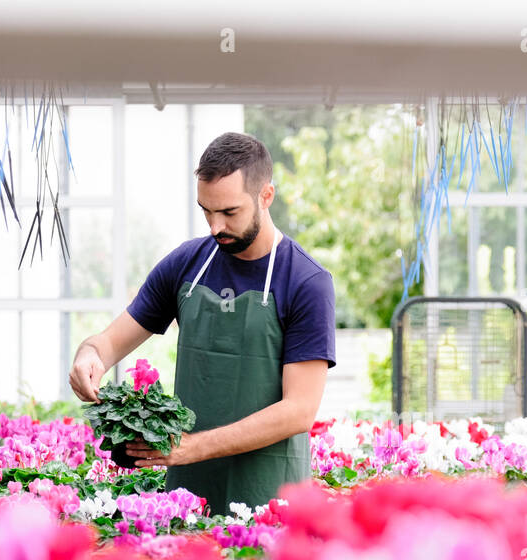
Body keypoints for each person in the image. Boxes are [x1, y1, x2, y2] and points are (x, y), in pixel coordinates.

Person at [68, 132, 336, 516]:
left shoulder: (306, 281)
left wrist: (190, 447)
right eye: (206, 211)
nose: (215, 226)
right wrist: (88, 356)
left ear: (266, 196)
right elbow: (108, 342)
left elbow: (298, 410)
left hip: (272, 499)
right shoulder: (186, 264)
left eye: (229, 212)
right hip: (190, 497)